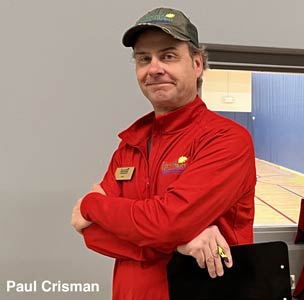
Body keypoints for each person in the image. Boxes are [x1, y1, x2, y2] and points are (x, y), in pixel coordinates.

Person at [70, 7, 256, 300]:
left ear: (196, 64)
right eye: (144, 59)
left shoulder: (226, 139)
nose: (154, 68)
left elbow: (167, 223)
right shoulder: (130, 143)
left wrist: (92, 205)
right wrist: (178, 243)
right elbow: (93, 236)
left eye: (168, 55)